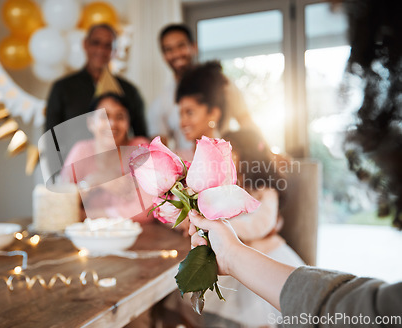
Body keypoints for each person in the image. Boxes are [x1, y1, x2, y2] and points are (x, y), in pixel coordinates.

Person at [186, 1, 402, 327]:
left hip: (269, 259)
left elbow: (260, 222)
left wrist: (229, 236)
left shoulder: (259, 190)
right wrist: (228, 250)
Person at [176, 62, 304, 327]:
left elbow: (258, 221)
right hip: (226, 250)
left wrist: (218, 224)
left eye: (190, 112)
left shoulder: (257, 185)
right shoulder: (212, 173)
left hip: (260, 255)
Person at [148, 24, 256, 151]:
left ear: (194, 47)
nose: (176, 53)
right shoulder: (160, 103)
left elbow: (247, 123)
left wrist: (264, 153)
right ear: (163, 55)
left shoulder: (223, 84)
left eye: (181, 46)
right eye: (168, 49)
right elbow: (159, 151)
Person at [61, 92, 152, 222]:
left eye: (120, 117)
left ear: (128, 123)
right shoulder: (80, 151)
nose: (112, 123)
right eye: (104, 116)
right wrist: (93, 182)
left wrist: (86, 216)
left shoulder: (139, 149)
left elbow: (145, 211)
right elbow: (60, 201)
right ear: (91, 122)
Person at [45, 24, 147, 138]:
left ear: (115, 51)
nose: (101, 50)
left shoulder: (129, 91)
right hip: (73, 155)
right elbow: (51, 138)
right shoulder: (62, 88)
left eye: (108, 45)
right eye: (96, 43)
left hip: (117, 156)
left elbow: (141, 137)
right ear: (85, 44)